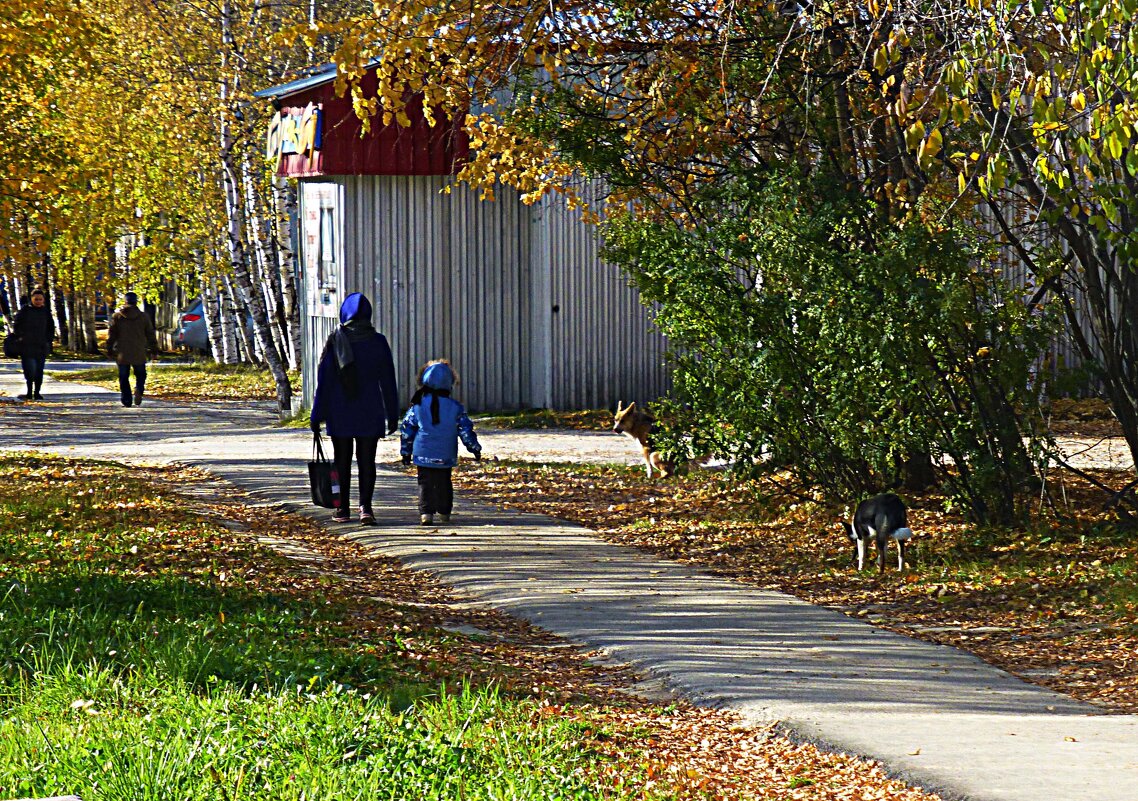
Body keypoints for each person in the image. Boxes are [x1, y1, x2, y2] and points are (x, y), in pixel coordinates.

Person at [310, 292, 400, 525]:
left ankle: (342, 509)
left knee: (342, 461)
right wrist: (392, 414)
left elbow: (325, 383)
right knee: (367, 461)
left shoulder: (335, 340)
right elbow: (388, 380)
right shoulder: (378, 341)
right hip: (370, 410)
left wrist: (317, 414)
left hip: (340, 411)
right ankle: (366, 508)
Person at [399, 360, 482, 525]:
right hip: (446, 453)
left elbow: (407, 429)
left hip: (423, 453)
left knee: (425, 482)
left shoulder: (417, 406)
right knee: (444, 481)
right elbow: (465, 429)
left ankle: (426, 513)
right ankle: (444, 512)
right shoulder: (456, 407)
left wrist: (405, 451)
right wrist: (474, 448)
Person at [106, 292, 158, 408]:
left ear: (125, 301)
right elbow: (150, 334)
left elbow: (112, 335)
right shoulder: (143, 316)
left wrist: (109, 349)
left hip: (122, 352)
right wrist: (154, 349)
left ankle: (127, 399)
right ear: (136, 302)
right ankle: (139, 389)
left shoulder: (117, 317)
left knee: (123, 376)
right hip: (139, 351)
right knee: (141, 374)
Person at [12, 287, 55, 401]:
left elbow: (51, 328)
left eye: (40, 299)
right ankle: (29, 392)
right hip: (27, 347)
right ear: (31, 299)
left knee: (39, 371)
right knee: (30, 370)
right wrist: (22, 336)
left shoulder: (46, 312)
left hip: (41, 346)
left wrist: (48, 340)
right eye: (36, 299)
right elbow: (16, 325)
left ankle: (37, 392)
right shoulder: (25, 311)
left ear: (43, 300)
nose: (38, 301)